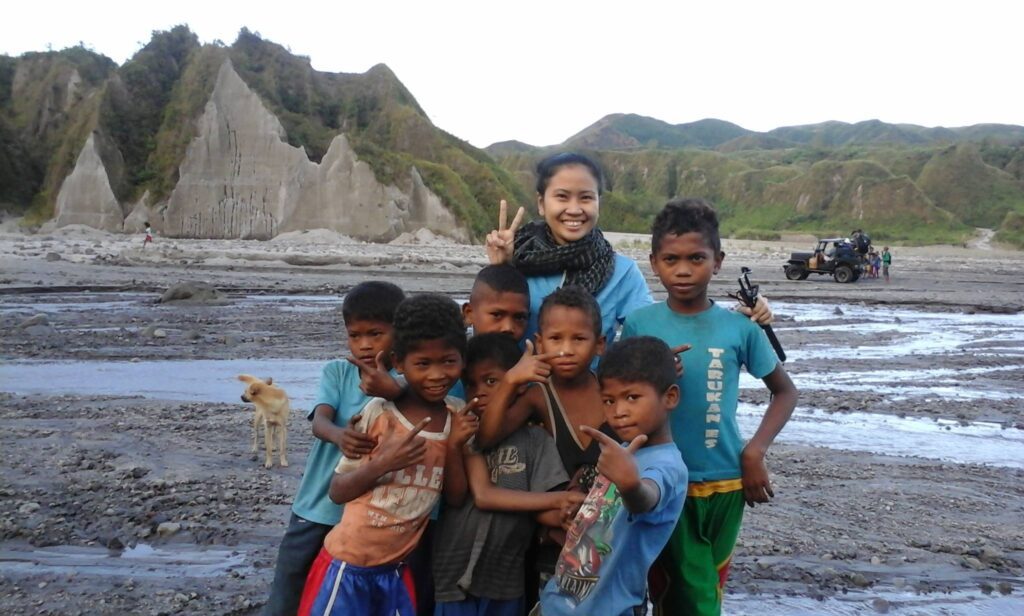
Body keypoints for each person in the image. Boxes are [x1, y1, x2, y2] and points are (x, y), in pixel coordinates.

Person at [621, 198, 798, 616]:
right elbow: (619, 395)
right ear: (654, 263)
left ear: (717, 262)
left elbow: (785, 392)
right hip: (664, 480)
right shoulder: (640, 325)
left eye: (696, 258)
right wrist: (656, 372)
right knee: (688, 591)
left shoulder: (740, 328)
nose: (683, 270)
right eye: (671, 259)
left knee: (709, 583)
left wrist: (754, 452)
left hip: (728, 483)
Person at [299, 294, 476, 616]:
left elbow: (455, 497)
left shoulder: (457, 416)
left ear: (463, 359)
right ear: (398, 363)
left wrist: (453, 445)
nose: (437, 375)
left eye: (448, 361)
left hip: (396, 570)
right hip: (348, 563)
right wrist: (384, 463)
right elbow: (338, 491)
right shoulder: (380, 414)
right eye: (423, 364)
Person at [484, 152, 772, 347]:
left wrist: (736, 316)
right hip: (518, 406)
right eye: (562, 197)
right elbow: (487, 334)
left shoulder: (621, 273)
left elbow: (659, 329)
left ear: (598, 202)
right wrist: (500, 271)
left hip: (589, 412)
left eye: (586, 197)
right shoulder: (514, 262)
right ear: (541, 203)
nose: (574, 209)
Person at [263, 281, 405, 616]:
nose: (365, 345)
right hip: (317, 505)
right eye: (355, 336)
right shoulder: (338, 372)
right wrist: (340, 436)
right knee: (290, 582)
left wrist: (393, 389)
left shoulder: (410, 379)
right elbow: (320, 421)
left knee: (347, 592)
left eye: (376, 334)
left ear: (401, 332)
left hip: (370, 515)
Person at [433, 333, 584, 616]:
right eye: (470, 385)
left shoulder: (535, 440)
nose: (479, 392)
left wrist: (569, 512)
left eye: (492, 381)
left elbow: (546, 505)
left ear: (520, 383)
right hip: (451, 573)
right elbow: (478, 496)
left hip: (506, 578)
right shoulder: (462, 432)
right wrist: (562, 499)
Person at [537, 336, 687, 616]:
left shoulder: (667, 465)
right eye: (608, 400)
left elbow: (645, 498)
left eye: (632, 397)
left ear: (670, 397)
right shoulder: (619, 451)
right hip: (559, 603)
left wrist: (630, 484)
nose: (618, 412)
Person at [461, 264, 531, 342]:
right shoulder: (450, 352)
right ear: (469, 314)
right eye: (497, 315)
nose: (508, 328)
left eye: (519, 318)